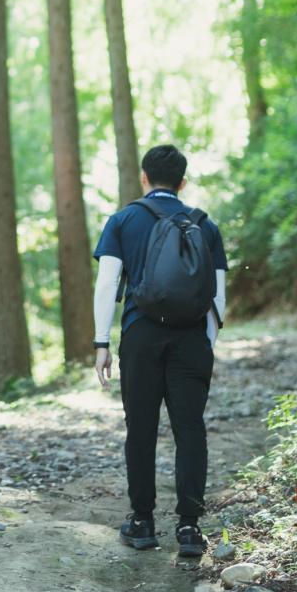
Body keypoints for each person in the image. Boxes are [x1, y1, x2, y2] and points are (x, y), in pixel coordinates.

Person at [92, 144, 228, 558]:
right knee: (190, 430)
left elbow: (106, 285)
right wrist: (207, 342)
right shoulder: (204, 225)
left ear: (144, 179)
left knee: (142, 428)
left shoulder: (123, 220)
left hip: (140, 335)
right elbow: (218, 297)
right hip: (191, 339)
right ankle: (189, 527)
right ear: (183, 183)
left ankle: (143, 521)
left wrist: (102, 343)